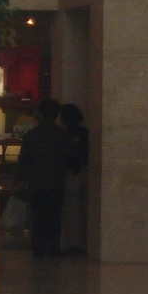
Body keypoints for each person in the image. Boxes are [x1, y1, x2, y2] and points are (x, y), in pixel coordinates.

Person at [17, 99, 72, 260]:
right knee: (54, 216)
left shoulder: (32, 135)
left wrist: (20, 179)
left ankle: (38, 247)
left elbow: (24, 159)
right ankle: (53, 247)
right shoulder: (62, 135)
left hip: (36, 181)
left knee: (38, 215)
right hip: (56, 180)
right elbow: (70, 157)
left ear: (40, 114)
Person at [59, 104, 90, 256]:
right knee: (79, 209)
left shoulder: (64, 134)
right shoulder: (84, 133)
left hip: (72, 173)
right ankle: (79, 243)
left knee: (72, 210)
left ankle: (73, 244)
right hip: (82, 172)